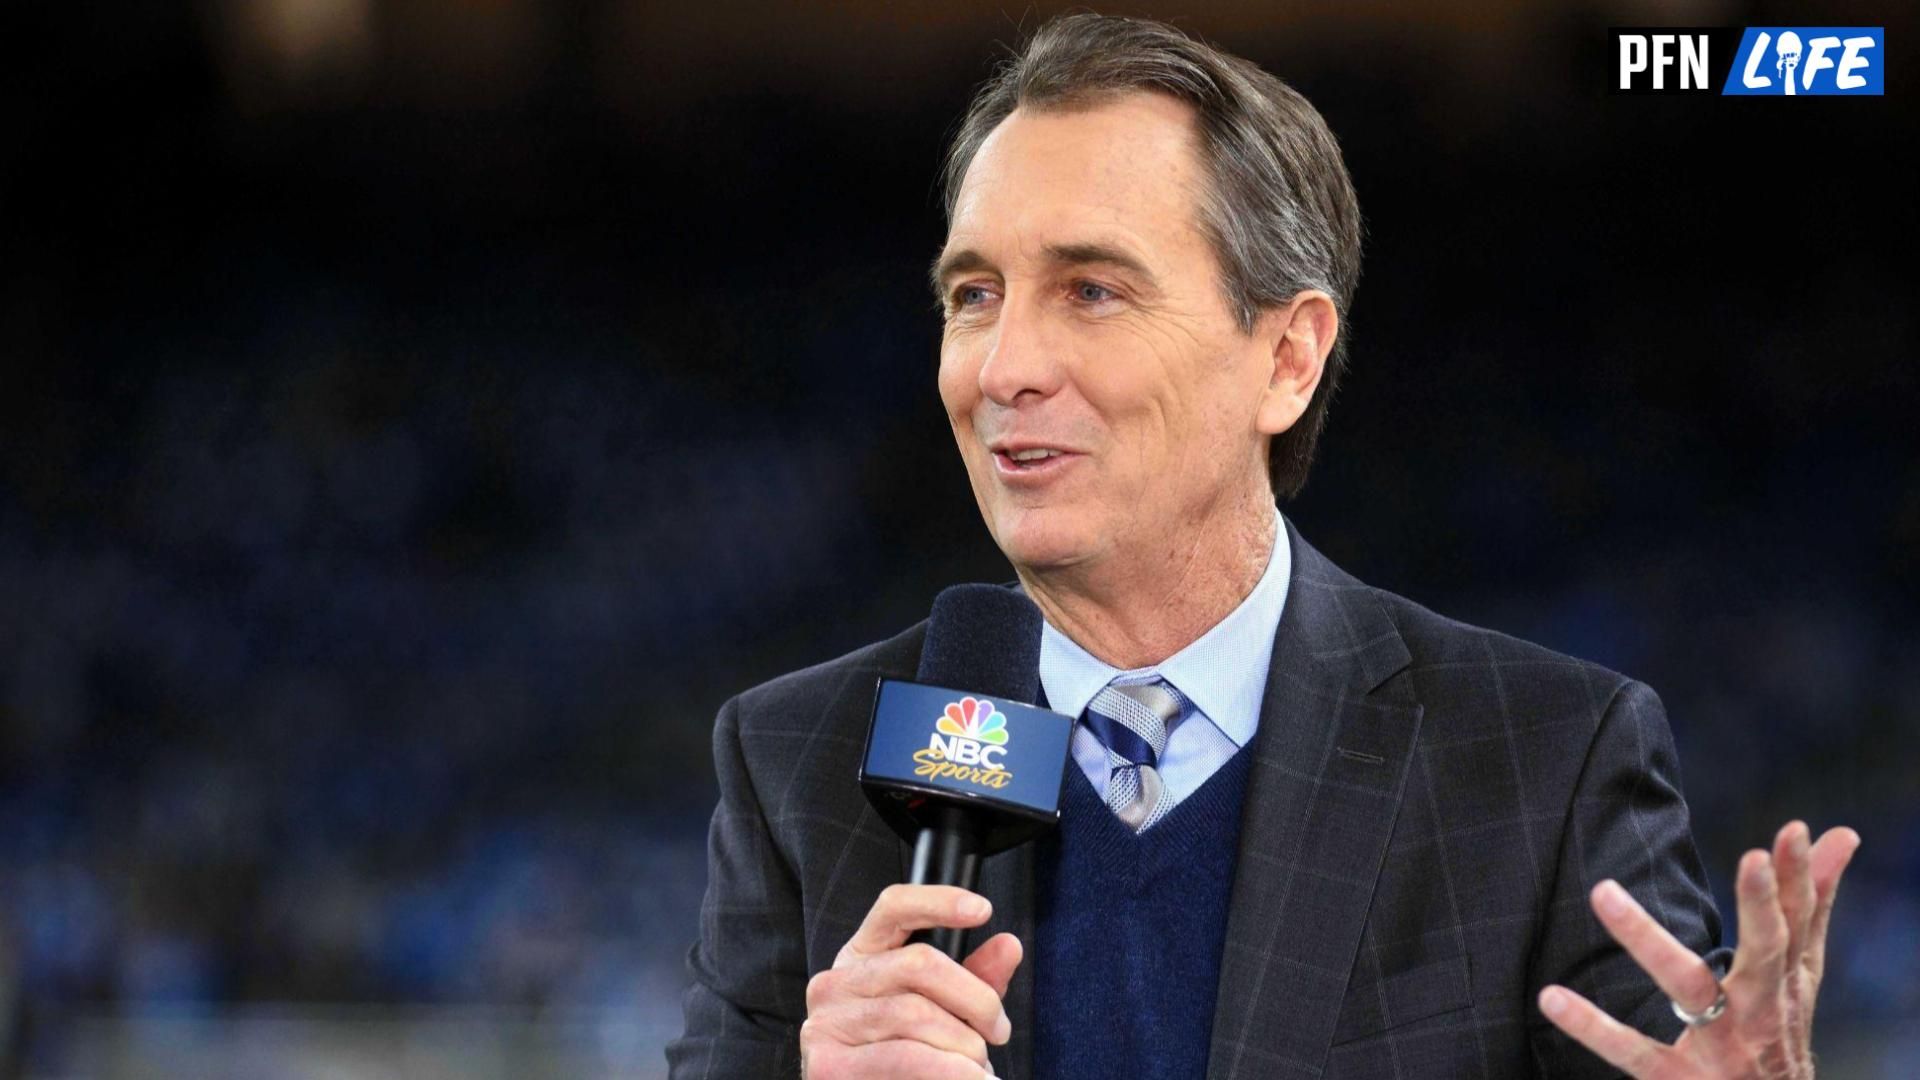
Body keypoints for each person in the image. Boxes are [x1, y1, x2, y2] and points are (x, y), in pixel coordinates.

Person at [666, 13, 1859, 1079]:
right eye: (974, 295)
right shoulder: (797, 763)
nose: (1003, 368)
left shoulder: (1540, 765)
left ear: (1285, 359)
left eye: (1090, 291)